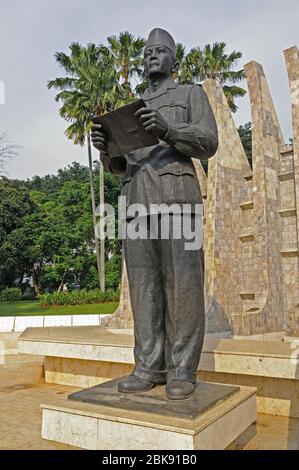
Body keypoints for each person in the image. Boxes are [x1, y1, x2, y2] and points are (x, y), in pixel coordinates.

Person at [91, 28, 218, 400]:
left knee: (183, 282)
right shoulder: (131, 107)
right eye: (147, 52)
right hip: (136, 199)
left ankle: (181, 369)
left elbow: (208, 143)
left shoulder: (190, 94)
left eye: (160, 51)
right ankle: (148, 366)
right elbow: (119, 166)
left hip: (178, 197)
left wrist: (168, 129)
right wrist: (107, 149)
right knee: (144, 286)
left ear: (173, 59)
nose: (151, 56)